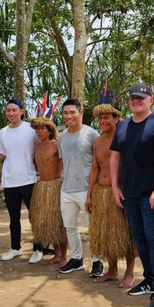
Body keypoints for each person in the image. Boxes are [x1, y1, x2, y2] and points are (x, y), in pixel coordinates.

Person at [110, 82, 154, 307]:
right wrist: (114, 187)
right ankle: (149, 280)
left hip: (151, 193)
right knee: (139, 237)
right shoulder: (123, 126)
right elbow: (115, 157)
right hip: (129, 193)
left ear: (151, 100)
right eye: (133, 98)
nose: (136, 101)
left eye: (141, 98)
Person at [0, 99, 45, 262]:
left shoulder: (31, 129)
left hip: (28, 179)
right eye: (8, 110)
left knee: (34, 216)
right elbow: (3, 154)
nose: (11, 113)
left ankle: (38, 248)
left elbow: (41, 148)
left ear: (22, 111)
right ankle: (15, 248)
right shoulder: (3, 132)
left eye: (14, 110)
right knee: (13, 217)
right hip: (10, 180)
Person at [86, 103, 136, 288]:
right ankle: (112, 270)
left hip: (121, 191)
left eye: (107, 117)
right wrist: (89, 194)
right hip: (101, 191)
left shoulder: (125, 138)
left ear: (116, 118)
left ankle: (129, 273)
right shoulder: (98, 141)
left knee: (126, 233)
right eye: (100, 118)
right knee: (107, 233)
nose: (103, 121)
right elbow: (94, 168)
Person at [56, 99, 102, 275]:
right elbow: (62, 163)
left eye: (72, 112)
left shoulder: (91, 134)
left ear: (81, 112)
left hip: (86, 188)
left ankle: (97, 260)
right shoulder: (61, 137)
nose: (69, 116)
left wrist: (94, 189)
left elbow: (98, 162)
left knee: (93, 227)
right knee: (70, 226)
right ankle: (76, 259)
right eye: (66, 113)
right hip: (67, 189)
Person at [29, 117, 68, 267]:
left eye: (43, 128)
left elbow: (67, 161)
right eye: (37, 129)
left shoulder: (56, 144)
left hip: (55, 186)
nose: (40, 132)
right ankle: (57, 254)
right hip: (42, 187)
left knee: (58, 222)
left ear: (50, 130)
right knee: (48, 223)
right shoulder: (37, 147)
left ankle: (64, 256)